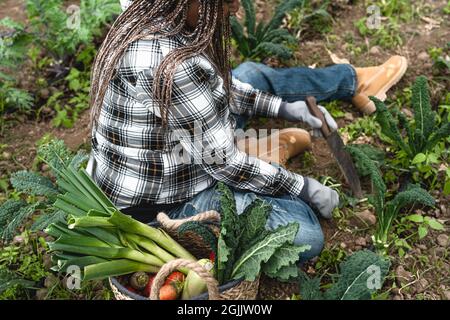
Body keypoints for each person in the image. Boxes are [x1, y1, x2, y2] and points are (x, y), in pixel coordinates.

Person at [86, 0, 407, 262]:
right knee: (306, 233)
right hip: (163, 204)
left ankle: (351, 80)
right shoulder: (167, 63)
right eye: (227, 1)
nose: (236, 7)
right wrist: (305, 188)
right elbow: (223, 163)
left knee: (249, 73)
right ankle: (259, 152)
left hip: (186, 146)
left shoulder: (155, 10)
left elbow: (218, 87)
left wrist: (286, 109)